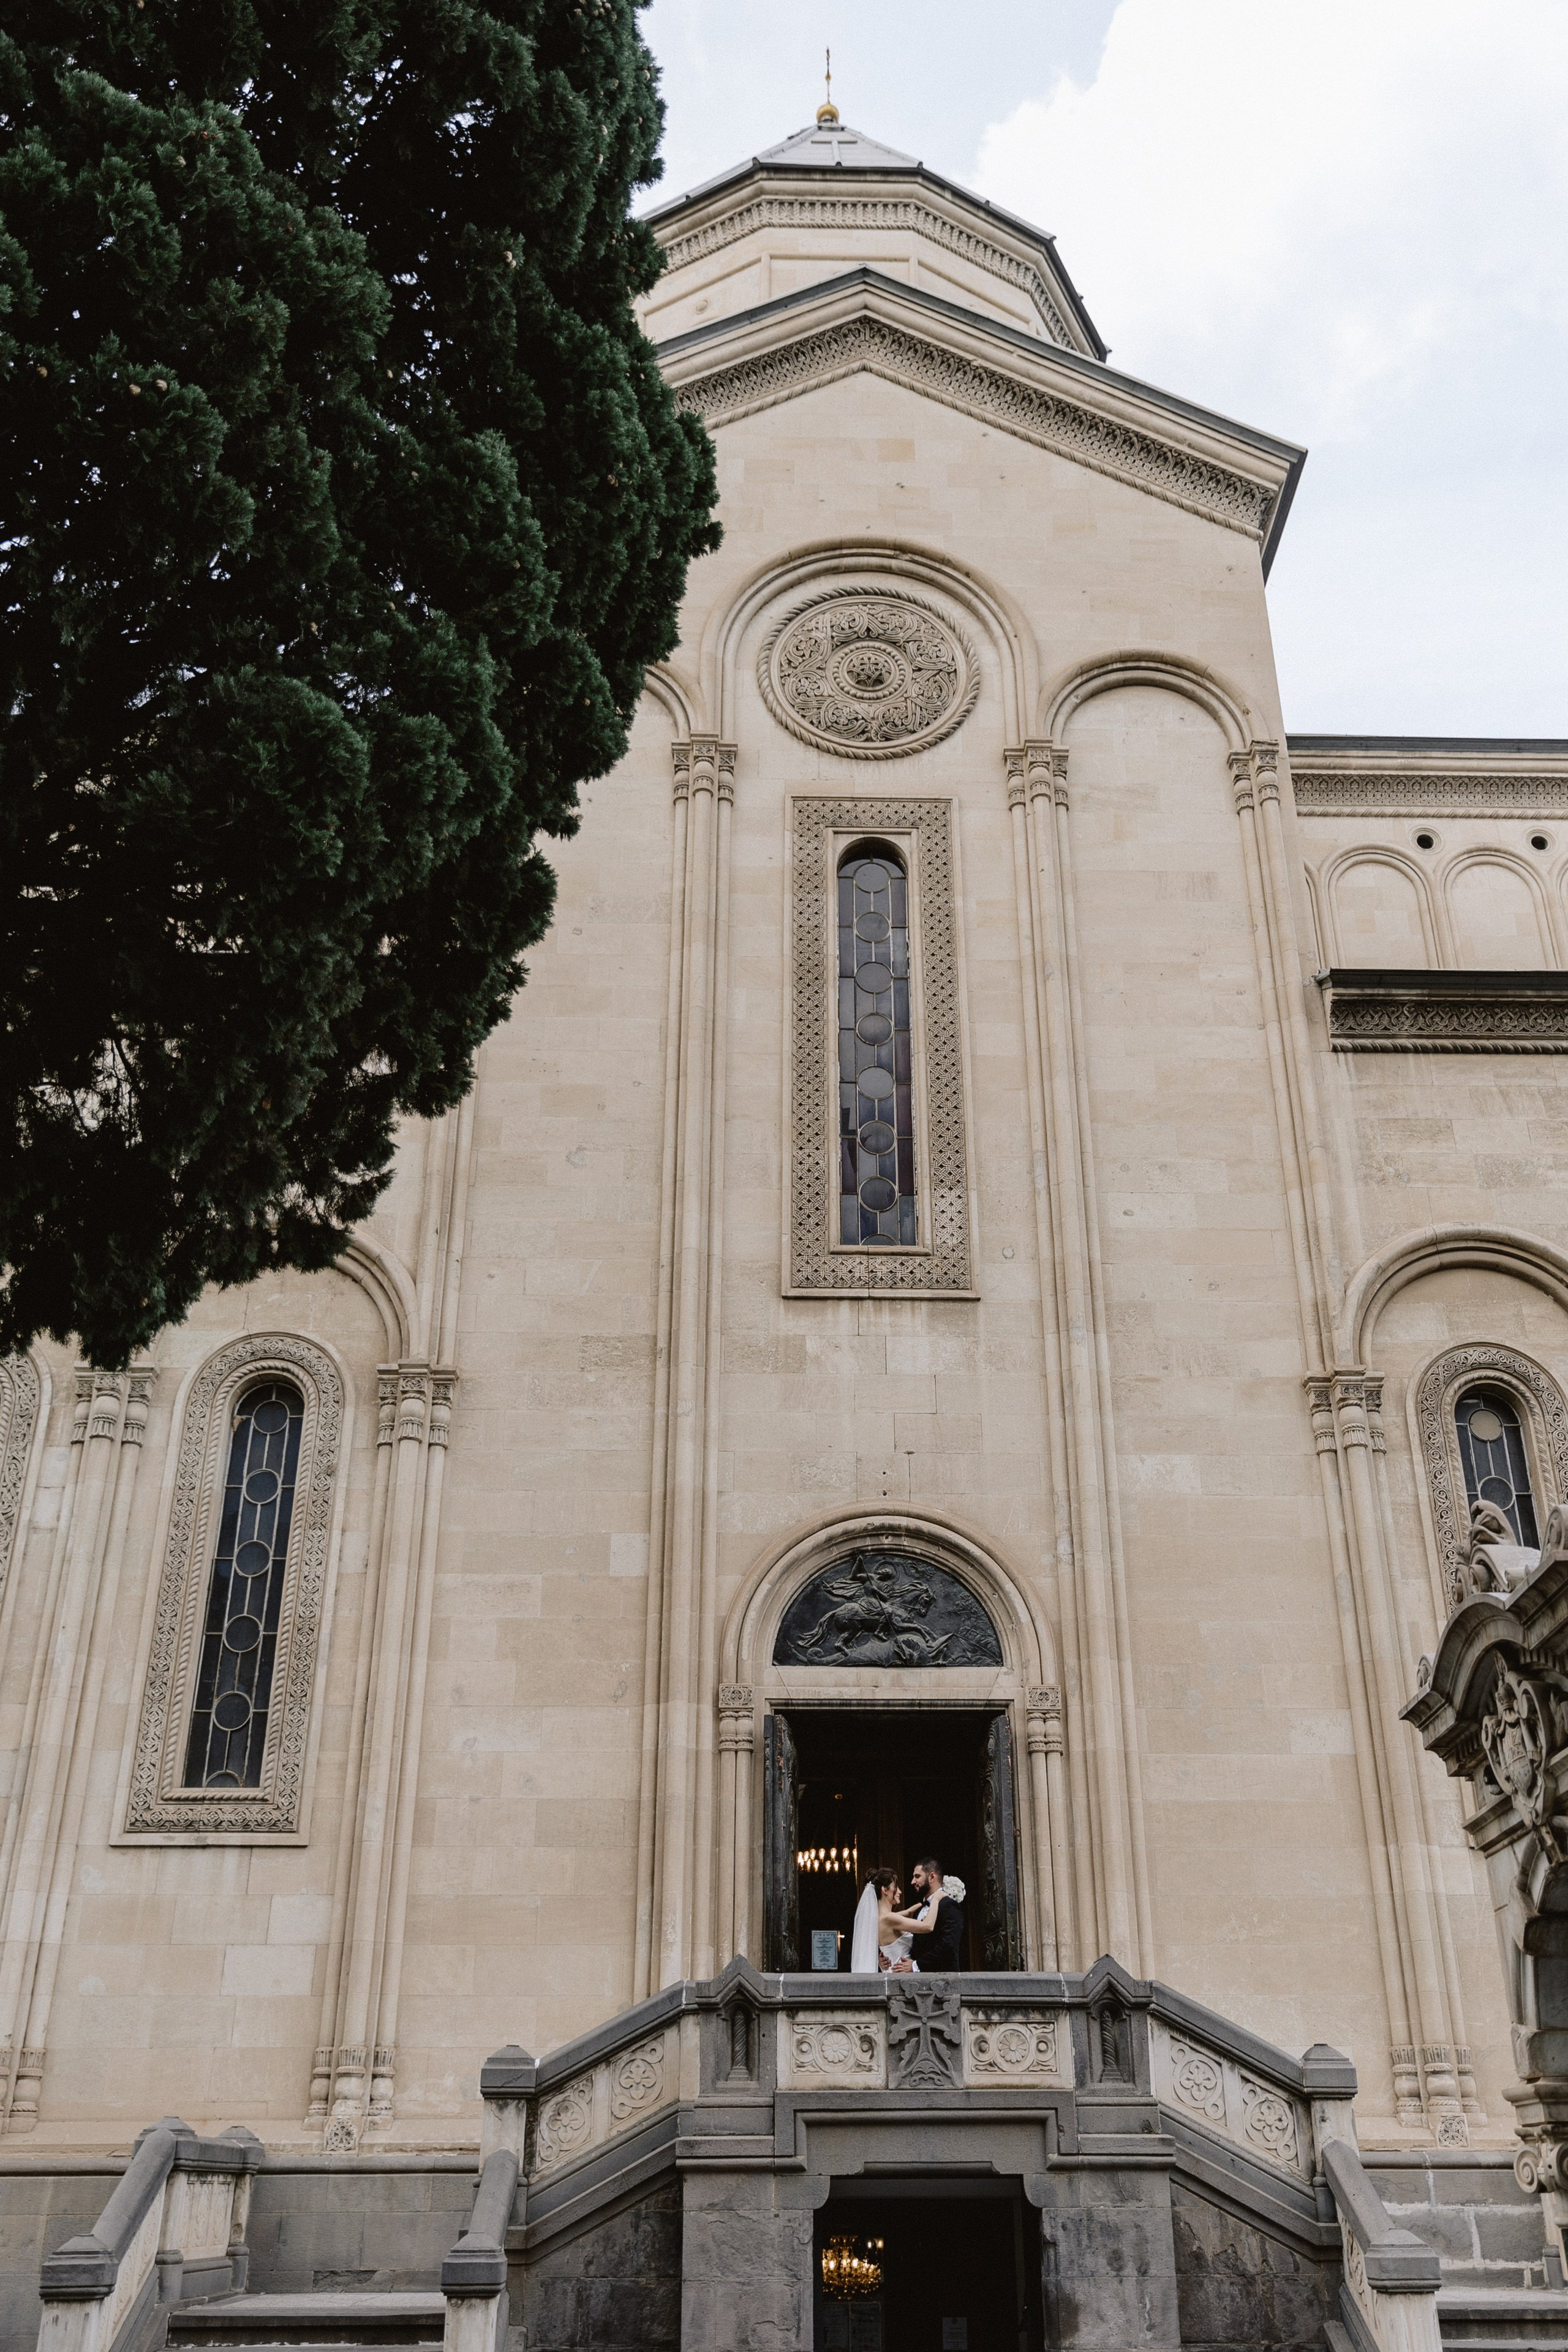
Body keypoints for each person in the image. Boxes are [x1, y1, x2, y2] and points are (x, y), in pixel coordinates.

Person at [886, 1856, 965, 1972]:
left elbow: (949, 1945)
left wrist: (916, 1965)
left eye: (917, 1877)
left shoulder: (949, 1905)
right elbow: (914, 1944)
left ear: (932, 1877)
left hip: (943, 1981)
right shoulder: (919, 1909)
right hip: (918, 1983)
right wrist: (887, 1954)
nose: (913, 1882)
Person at [849, 1868, 913, 1973]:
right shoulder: (888, 1918)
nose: (900, 1891)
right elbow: (927, 1926)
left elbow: (909, 1912)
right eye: (896, 1887)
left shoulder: (877, 1920)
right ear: (885, 1890)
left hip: (891, 1973)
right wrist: (937, 1899)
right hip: (900, 1976)